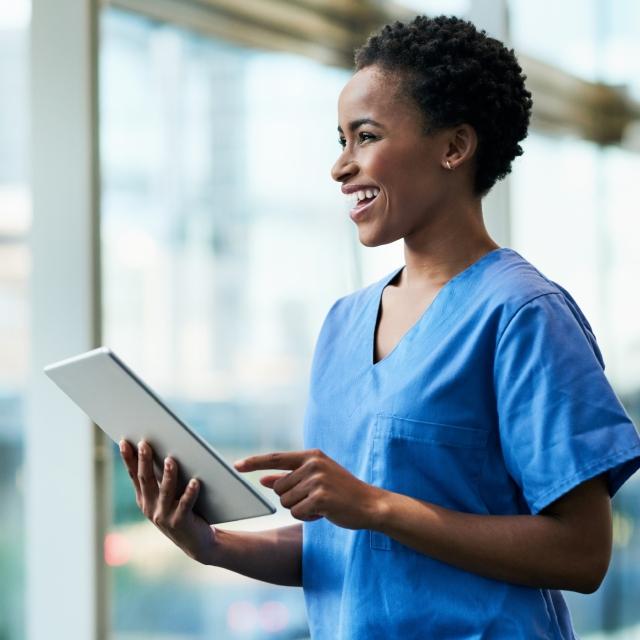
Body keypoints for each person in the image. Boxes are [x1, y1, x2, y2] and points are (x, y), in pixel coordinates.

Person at [119, 14, 640, 639]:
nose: (341, 167)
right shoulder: (344, 323)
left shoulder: (522, 315)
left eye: (365, 137)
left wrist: (377, 505)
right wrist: (211, 545)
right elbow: (345, 552)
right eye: (339, 141)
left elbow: (581, 555)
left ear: (454, 147)